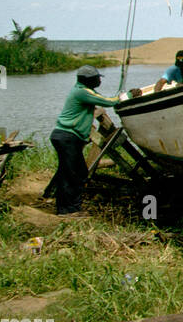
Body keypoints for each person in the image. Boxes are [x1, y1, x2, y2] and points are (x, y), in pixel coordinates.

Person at [49, 66, 134, 215]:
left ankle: (68, 207)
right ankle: (67, 210)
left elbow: (101, 101)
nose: (99, 80)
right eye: (97, 78)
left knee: (75, 172)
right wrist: (129, 95)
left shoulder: (83, 91)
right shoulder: (83, 92)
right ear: (89, 80)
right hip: (67, 137)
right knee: (73, 174)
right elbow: (109, 101)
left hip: (65, 137)